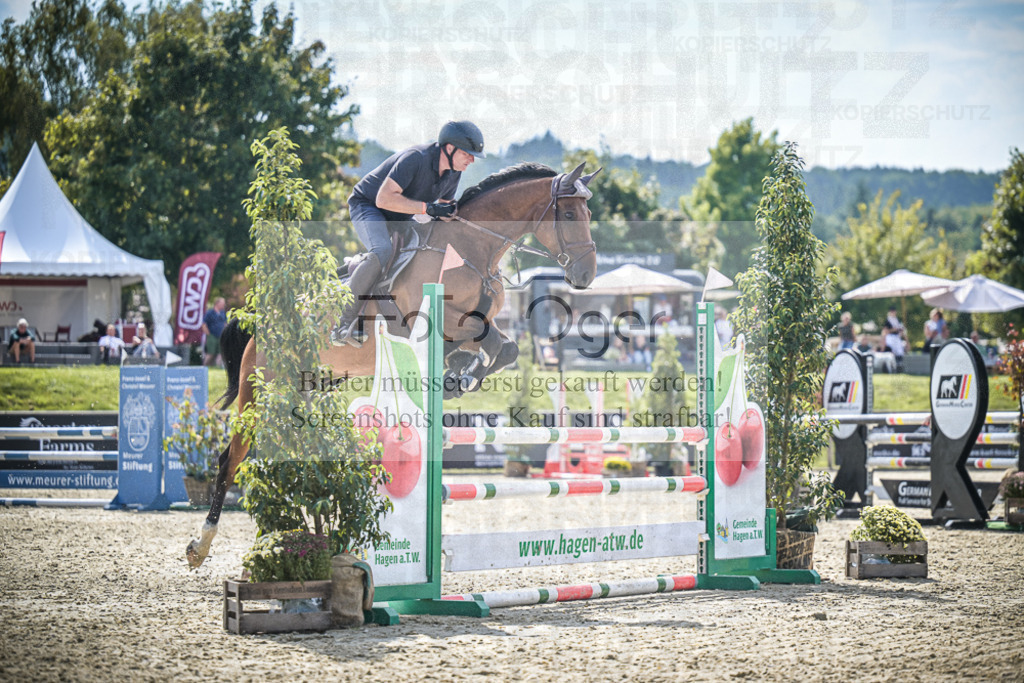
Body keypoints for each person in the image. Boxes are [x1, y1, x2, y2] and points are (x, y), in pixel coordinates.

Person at [331, 120, 486, 347]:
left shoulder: (453, 173)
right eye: (467, 154)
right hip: (369, 206)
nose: (471, 160)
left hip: (401, 215)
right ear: (449, 148)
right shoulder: (415, 159)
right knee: (382, 251)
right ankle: (342, 323)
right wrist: (428, 209)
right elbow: (383, 199)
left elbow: (443, 210)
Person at [202, 297, 228, 367]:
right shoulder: (210, 313)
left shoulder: (223, 313)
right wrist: (208, 334)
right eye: (222, 304)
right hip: (212, 336)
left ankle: (217, 367)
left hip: (220, 336)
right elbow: (203, 324)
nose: (224, 305)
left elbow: (225, 323)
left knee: (220, 353)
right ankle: (203, 367)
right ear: (217, 303)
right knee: (211, 353)